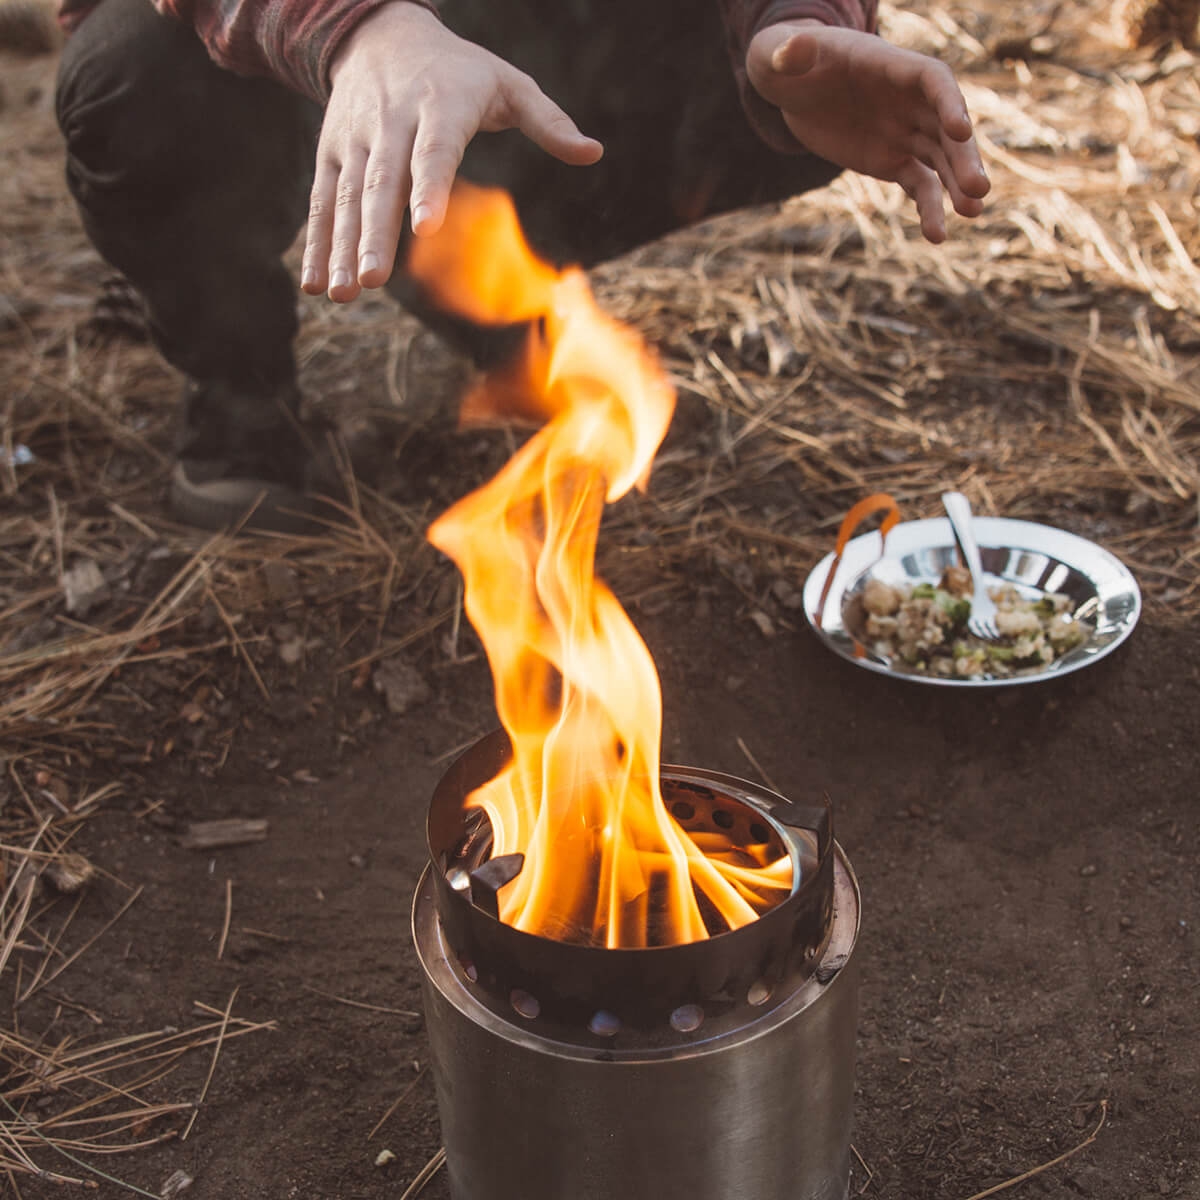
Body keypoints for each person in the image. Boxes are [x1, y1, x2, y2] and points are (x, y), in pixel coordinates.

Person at [54, 0, 989, 532]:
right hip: (298, 42)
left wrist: (794, 24)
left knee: (793, 83)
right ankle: (241, 392)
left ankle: (490, 278)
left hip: (552, 39)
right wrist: (361, 29)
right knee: (131, 72)